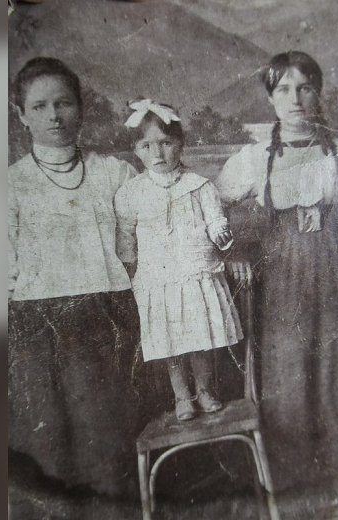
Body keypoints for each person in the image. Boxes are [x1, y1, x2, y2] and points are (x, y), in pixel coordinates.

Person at [214, 51, 338, 494]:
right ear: (270, 98)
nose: (295, 100)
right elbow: (212, 205)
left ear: (318, 93)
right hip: (280, 278)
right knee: (287, 370)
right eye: (284, 90)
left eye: (305, 88)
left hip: (335, 270)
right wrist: (235, 251)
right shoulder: (254, 159)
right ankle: (295, 486)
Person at [8, 57, 144, 503]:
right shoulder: (10, 185)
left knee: (105, 440)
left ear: (80, 108)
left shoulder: (114, 173)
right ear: (21, 115)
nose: (54, 116)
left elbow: (144, 243)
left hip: (105, 317)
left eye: (63, 103)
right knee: (44, 443)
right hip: (33, 325)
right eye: (40, 106)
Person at [115, 100, 243, 421]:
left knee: (200, 337)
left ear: (180, 143)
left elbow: (215, 218)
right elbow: (126, 237)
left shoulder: (199, 186)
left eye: (166, 143)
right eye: (146, 146)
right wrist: (130, 267)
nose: (157, 154)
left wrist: (220, 231)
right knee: (170, 340)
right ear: (136, 150)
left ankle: (204, 390)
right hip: (158, 279)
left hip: (195, 270)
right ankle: (182, 396)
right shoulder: (131, 193)